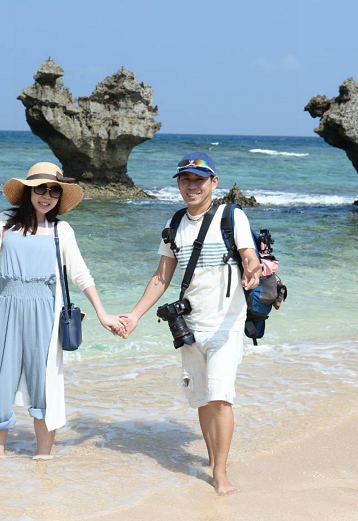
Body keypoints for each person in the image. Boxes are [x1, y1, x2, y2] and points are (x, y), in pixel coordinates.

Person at [118, 152, 262, 495]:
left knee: (220, 397)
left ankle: (221, 474)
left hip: (226, 324)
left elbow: (249, 256)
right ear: (179, 184)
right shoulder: (176, 223)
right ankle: (212, 460)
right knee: (200, 398)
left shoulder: (231, 215)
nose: (192, 185)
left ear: (214, 182)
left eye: (199, 179)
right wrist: (134, 315)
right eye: (186, 179)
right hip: (189, 326)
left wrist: (253, 269)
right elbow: (161, 276)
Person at [0, 162, 122, 461]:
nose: (47, 195)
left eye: (54, 190)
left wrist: (103, 314)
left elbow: (81, 275)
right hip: (8, 304)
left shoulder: (61, 230)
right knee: (0, 377)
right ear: (28, 191)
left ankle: (43, 459)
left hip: (45, 309)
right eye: (40, 188)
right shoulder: (4, 221)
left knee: (45, 382)